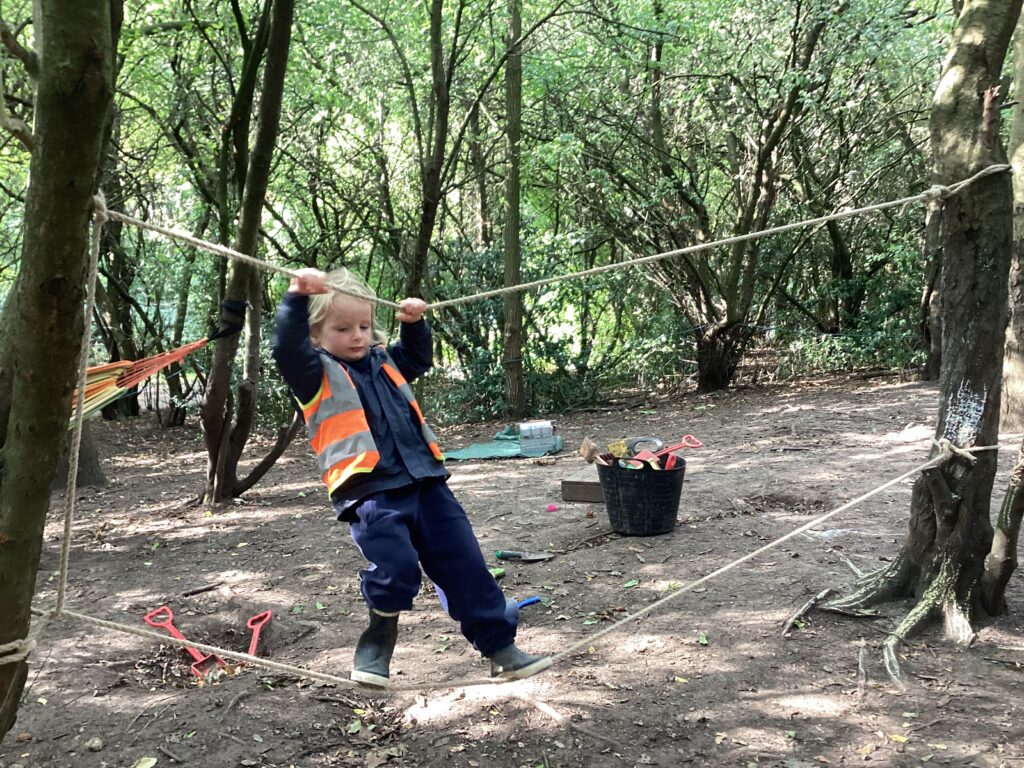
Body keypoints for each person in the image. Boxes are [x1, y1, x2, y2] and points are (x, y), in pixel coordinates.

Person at [272, 267, 550, 688]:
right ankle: (379, 635)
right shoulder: (314, 375)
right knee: (397, 567)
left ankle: (499, 649)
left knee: (466, 565)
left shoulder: (386, 361)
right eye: (343, 328)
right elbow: (286, 350)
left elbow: (418, 357)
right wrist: (295, 299)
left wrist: (413, 324)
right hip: (370, 491)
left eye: (364, 325)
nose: (358, 336)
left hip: (426, 481)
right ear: (315, 335)